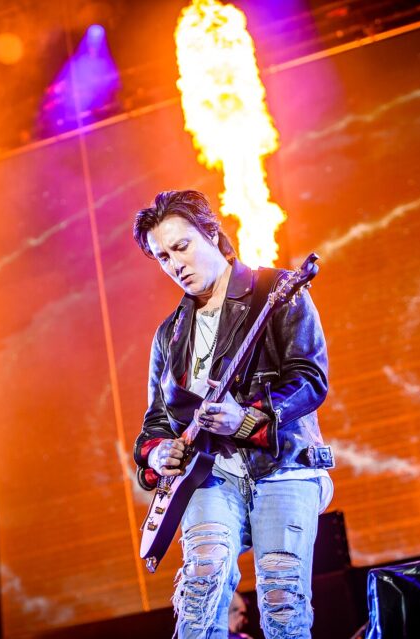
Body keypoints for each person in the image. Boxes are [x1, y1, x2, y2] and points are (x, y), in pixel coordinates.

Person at [131, 190, 335, 638]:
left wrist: (246, 419)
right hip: (210, 476)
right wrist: (158, 452)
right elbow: (156, 421)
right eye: (163, 257)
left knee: (282, 599)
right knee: (201, 587)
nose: (175, 264)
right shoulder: (169, 335)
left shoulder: (276, 291)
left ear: (213, 235)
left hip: (284, 468)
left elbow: (310, 378)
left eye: (182, 247)